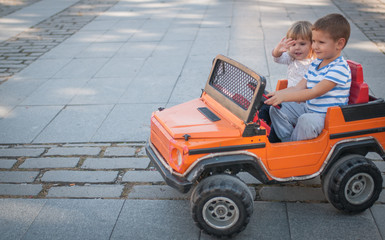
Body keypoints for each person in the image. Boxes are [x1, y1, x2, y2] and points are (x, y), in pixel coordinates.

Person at [265, 13, 351, 142]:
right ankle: (288, 141)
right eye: (314, 41)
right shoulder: (316, 63)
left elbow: (313, 92)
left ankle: (294, 149)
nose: (315, 46)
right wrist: (276, 95)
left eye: (321, 42)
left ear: (339, 44)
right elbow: (299, 87)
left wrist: (284, 96)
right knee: (277, 108)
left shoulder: (339, 68)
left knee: (305, 121)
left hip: (326, 117)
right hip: (309, 108)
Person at [259, 20, 314, 142]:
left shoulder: (313, 63)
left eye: (302, 44)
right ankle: (259, 126)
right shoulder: (291, 58)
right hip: (288, 98)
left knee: (276, 113)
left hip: (301, 102)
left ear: (312, 44)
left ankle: (276, 140)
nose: (297, 48)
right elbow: (277, 58)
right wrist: (278, 50)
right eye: (293, 44)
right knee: (266, 105)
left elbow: (309, 90)